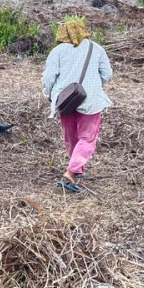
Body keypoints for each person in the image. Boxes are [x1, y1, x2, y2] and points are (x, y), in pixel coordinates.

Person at [41, 18, 113, 193]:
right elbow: (107, 74)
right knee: (87, 138)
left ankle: (76, 168)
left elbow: (49, 77)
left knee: (71, 135)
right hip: (90, 99)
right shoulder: (96, 48)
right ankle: (72, 172)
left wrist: (49, 94)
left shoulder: (57, 51)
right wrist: (95, 85)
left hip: (66, 100)